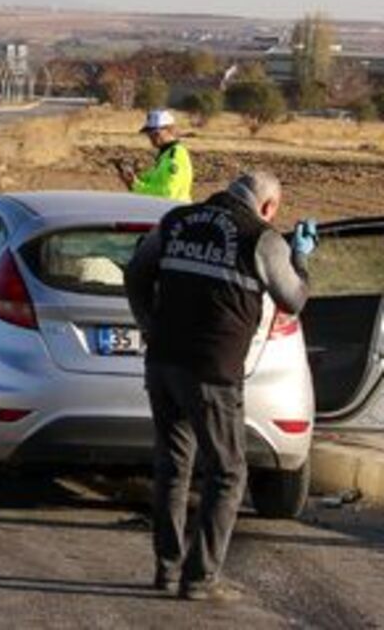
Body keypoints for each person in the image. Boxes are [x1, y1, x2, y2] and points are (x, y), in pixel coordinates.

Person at [124, 170, 317, 602]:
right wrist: (300, 256)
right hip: (213, 371)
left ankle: (167, 569)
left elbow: (135, 274)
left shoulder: (177, 222)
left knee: (173, 467)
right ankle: (200, 577)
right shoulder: (261, 238)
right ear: (267, 208)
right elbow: (294, 299)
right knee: (228, 472)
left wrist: (150, 326)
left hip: (163, 363)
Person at [116, 108, 193, 202]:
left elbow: (169, 193)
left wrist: (136, 185)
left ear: (169, 130)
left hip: (174, 212)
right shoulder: (165, 155)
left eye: (156, 133)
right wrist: (134, 177)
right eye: (149, 134)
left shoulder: (175, 156)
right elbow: (153, 179)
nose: (151, 137)